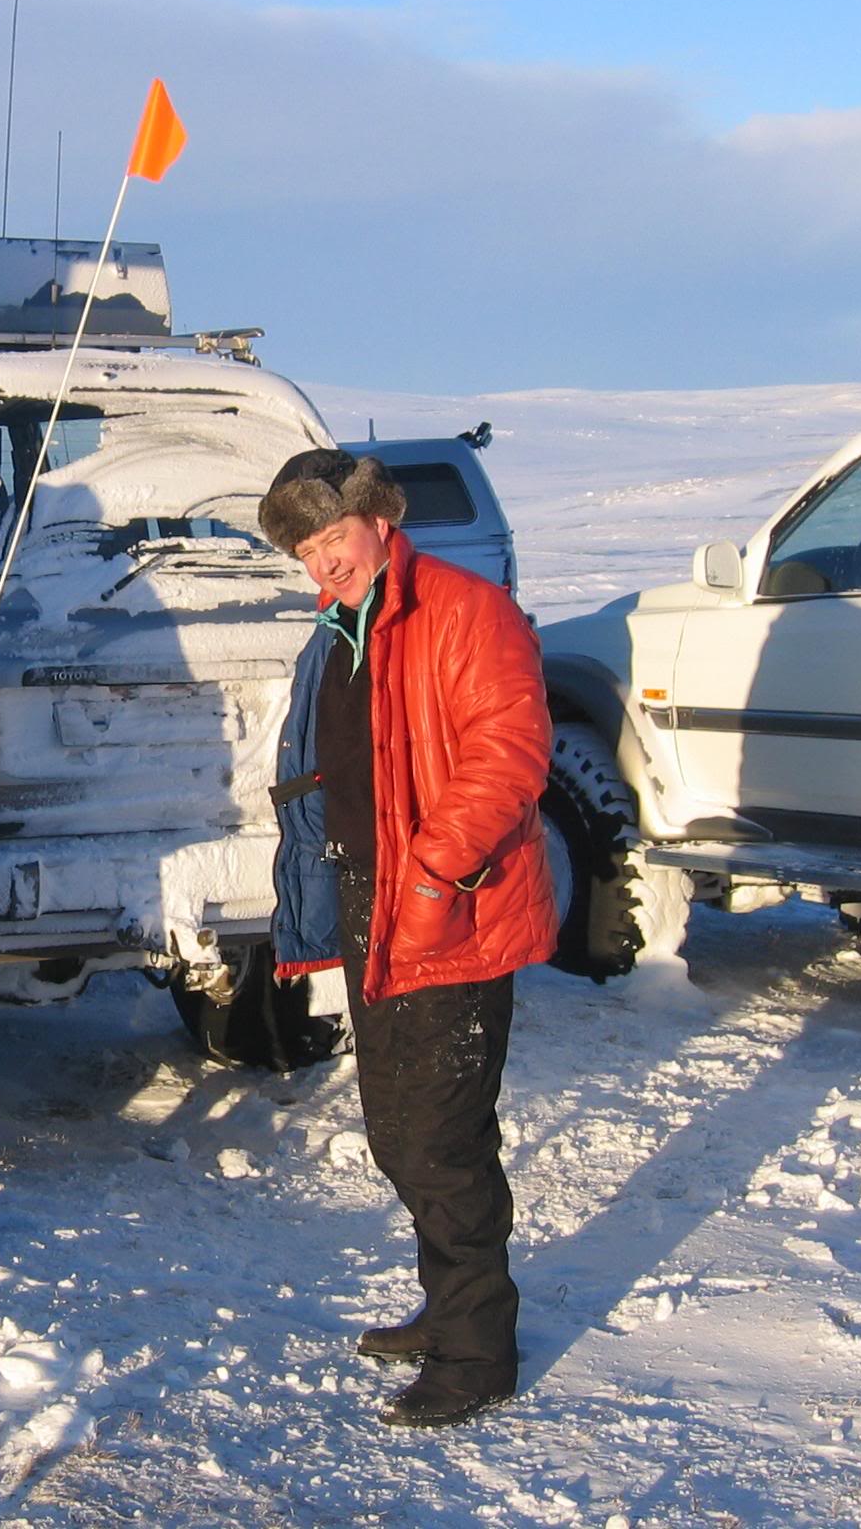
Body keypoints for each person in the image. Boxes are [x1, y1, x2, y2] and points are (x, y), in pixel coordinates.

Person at [259, 449, 555, 1427]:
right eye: (306, 551)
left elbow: (508, 758)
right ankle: (449, 1308)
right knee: (397, 1129)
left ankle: (477, 1353)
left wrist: (432, 875)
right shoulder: (337, 630)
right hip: (368, 897)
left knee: (441, 1136)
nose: (322, 564)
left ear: (379, 521)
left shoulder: (466, 611)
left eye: (332, 539)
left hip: (448, 905)